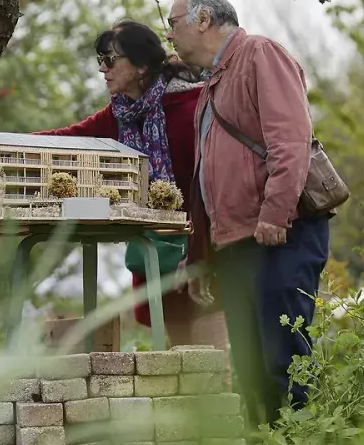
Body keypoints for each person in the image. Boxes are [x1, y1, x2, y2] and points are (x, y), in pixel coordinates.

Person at [166, 0, 330, 426]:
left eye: (173, 23)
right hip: (239, 246)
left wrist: (276, 213)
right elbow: (207, 182)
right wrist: (200, 255)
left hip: (280, 235)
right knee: (253, 368)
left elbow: (290, 141)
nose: (169, 35)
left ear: (203, 20)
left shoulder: (260, 53)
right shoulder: (211, 87)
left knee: (285, 360)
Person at [37, 20, 230, 356]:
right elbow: (70, 139)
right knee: (182, 363)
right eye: (101, 60)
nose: (102, 68)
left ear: (141, 64)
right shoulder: (121, 114)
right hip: (159, 253)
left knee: (216, 360)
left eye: (111, 60)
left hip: (207, 252)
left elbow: (222, 180)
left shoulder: (193, 106)